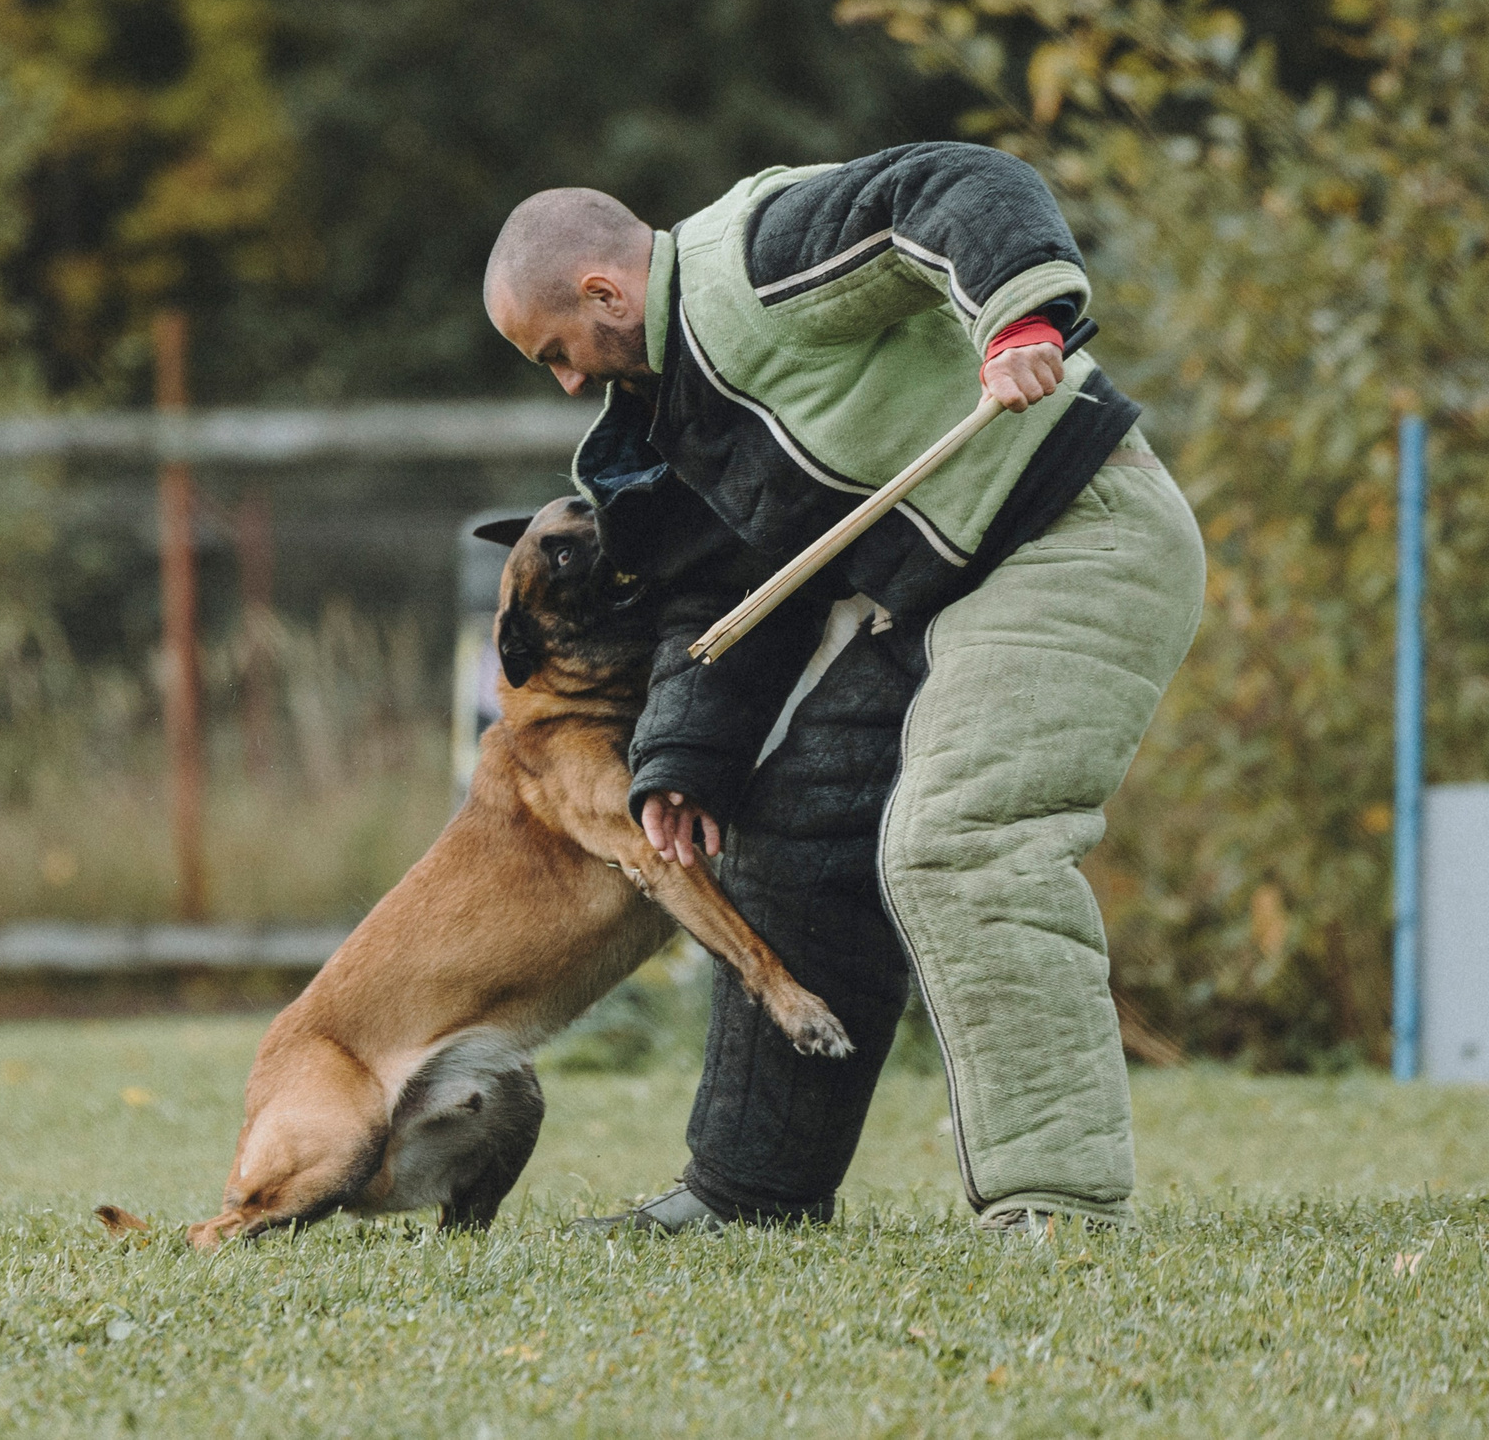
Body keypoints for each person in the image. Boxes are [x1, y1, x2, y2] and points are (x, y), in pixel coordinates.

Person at [483, 142, 1205, 1233]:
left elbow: (958, 187)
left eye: (558, 351)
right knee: (790, 842)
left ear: (604, 291)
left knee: (958, 838)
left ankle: (1055, 1204)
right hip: (940, 593)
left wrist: (1017, 325)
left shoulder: (754, 263)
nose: (569, 382)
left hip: (1075, 535)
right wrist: (688, 759)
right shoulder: (671, 415)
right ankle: (747, 1197)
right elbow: (729, 593)